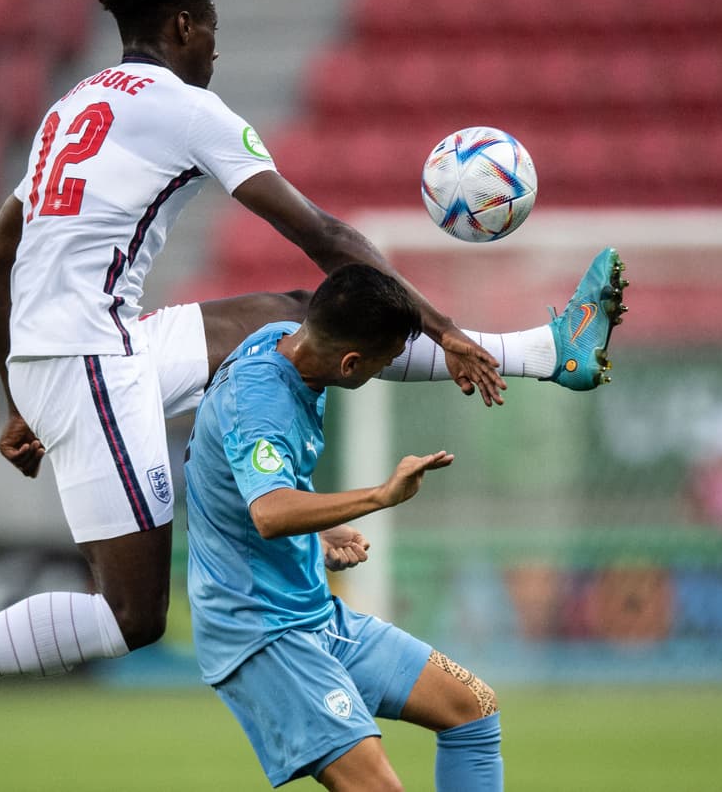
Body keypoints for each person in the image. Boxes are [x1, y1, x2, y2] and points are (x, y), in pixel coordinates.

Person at [0, 0, 625, 781]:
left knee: (299, 320)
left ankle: (544, 351)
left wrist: (17, 399)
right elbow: (328, 237)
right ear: (181, 24)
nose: (217, 48)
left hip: (92, 345)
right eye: (210, 29)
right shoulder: (183, 107)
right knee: (132, 614)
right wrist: (445, 325)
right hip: (89, 360)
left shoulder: (71, 106)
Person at [184, 263, 499, 791]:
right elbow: (269, 512)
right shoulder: (262, 402)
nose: (387, 366)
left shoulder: (282, 340)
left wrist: (318, 528)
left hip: (313, 615)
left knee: (473, 707)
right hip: (262, 634)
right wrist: (379, 496)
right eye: (384, 360)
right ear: (351, 363)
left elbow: (253, 483)